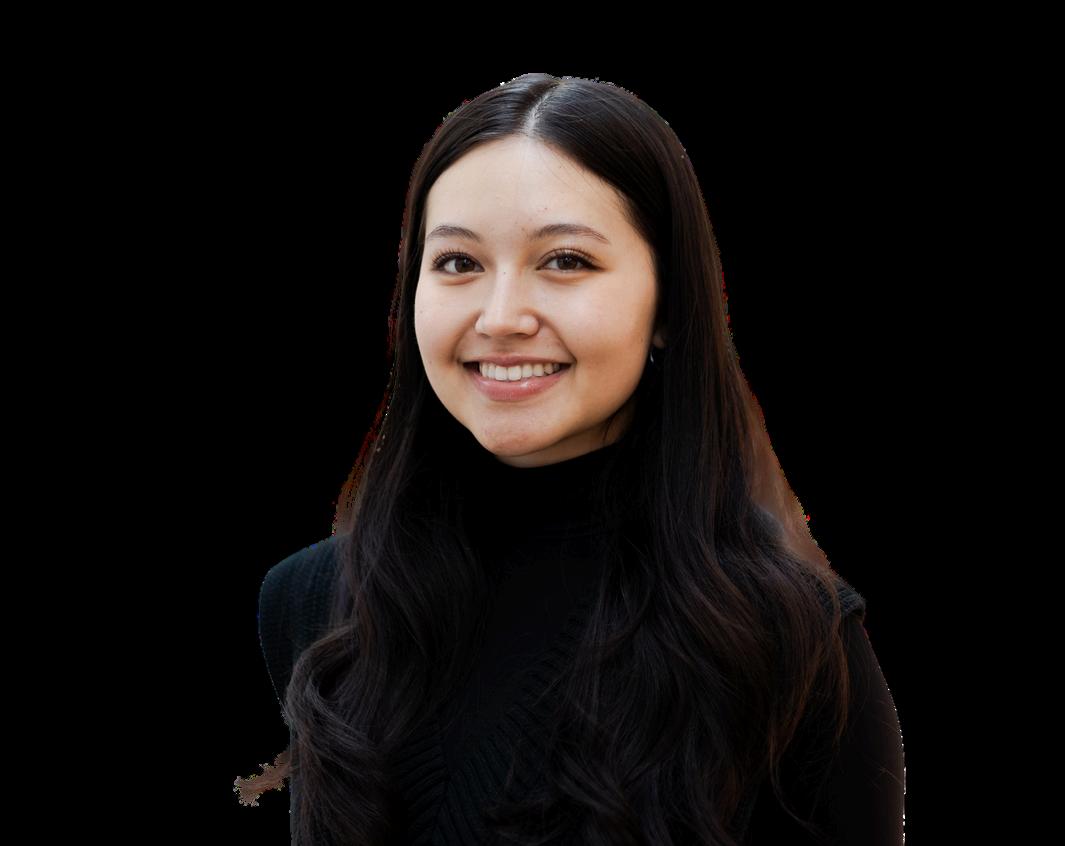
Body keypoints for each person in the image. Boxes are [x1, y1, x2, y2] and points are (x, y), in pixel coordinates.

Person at [234, 72, 905, 845]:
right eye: (457, 263)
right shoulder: (312, 605)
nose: (500, 317)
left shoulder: (790, 641)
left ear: (668, 305)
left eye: (564, 261)